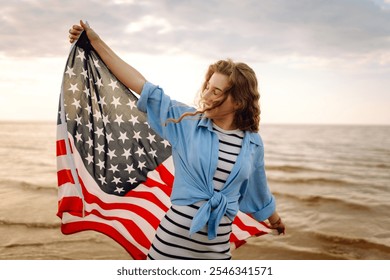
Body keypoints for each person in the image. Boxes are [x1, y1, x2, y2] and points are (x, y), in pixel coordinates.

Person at [68, 20, 285, 260]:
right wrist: (96, 42)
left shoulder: (253, 144)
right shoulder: (186, 123)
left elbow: (259, 189)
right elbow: (142, 86)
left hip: (217, 254)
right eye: (207, 87)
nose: (206, 95)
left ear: (239, 101)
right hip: (168, 250)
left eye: (216, 91)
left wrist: (274, 219)